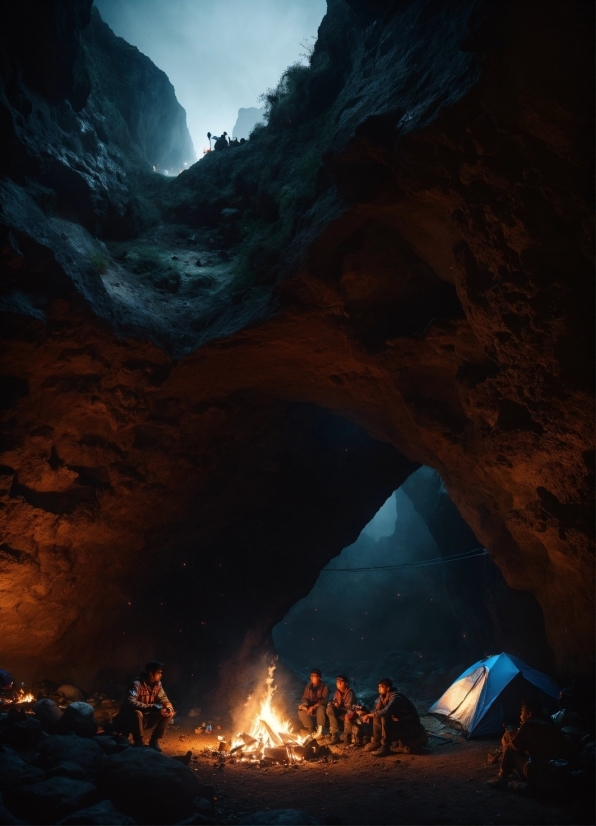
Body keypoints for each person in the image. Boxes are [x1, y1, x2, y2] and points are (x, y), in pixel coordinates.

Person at [486, 696, 570, 790]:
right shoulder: (550, 724)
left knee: (510, 747)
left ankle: (502, 777)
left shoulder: (529, 725)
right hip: (558, 773)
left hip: (539, 774)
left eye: (522, 712)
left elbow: (514, 746)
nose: (520, 715)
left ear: (529, 714)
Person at [114, 661, 175, 750]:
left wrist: (168, 708)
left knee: (169, 713)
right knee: (137, 713)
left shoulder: (157, 684)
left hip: (146, 718)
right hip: (131, 720)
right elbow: (130, 701)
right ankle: (138, 741)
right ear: (151, 673)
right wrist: (150, 707)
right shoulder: (136, 684)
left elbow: (163, 698)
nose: (161, 675)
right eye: (158, 672)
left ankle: (154, 740)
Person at [361, 678, 426, 756]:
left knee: (385, 717)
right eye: (379, 687)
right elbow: (376, 711)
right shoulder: (383, 697)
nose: (379, 688)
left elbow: (386, 711)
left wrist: (368, 715)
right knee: (377, 716)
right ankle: (377, 741)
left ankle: (385, 747)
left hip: (409, 724)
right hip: (398, 721)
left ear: (388, 688)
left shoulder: (396, 697)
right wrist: (366, 713)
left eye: (381, 687)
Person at [298, 669, 329, 738]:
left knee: (321, 709)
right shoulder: (308, 686)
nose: (311, 677)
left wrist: (313, 707)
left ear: (319, 677)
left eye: (313, 676)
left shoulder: (324, 686)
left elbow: (324, 700)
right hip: (311, 706)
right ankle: (311, 730)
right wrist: (304, 705)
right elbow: (305, 698)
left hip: (320, 706)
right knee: (301, 711)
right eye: (311, 676)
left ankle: (320, 731)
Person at [326, 674, 357, 745]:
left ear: (345, 683)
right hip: (340, 710)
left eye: (341, 682)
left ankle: (347, 736)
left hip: (350, 711)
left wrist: (340, 704)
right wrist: (335, 703)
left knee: (348, 715)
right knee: (329, 709)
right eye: (337, 681)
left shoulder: (350, 692)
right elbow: (332, 701)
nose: (338, 683)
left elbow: (350, 706)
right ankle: (334, 735)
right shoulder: (337, 692)